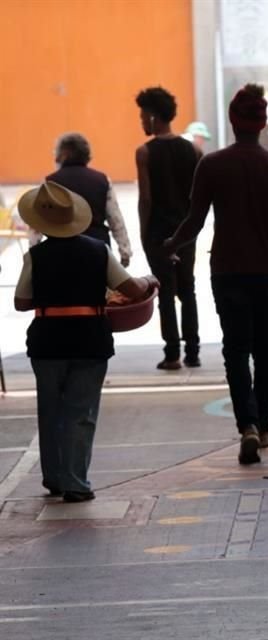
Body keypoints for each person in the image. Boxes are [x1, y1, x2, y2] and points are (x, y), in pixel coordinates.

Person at [163, 84, 268, 465]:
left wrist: (172, 244)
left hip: (226, 271)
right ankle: (267, 425)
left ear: (232, 121)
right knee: (266, 349)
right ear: (263, 123)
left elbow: (194, 220)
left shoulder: (211, 164)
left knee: (236, 350)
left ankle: (248, 426)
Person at [14, 181, 157, 502]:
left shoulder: (35, 256)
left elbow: (21, 303)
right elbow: (132, 289)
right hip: (89, 340)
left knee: (50, 411)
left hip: (47, 342)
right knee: (80, 412)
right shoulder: (98, 251)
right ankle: (76, 483)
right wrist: (149, 279)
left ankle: (54, 478)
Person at [135, 86, 201, 370]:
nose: (140, 122)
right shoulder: (194, 151)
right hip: (187, 231)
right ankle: (194, 351)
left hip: (158, 232)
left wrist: (143, 230)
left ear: (153, 117)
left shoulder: (145, 152)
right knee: (187, 289)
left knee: (165, 292)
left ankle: (172, 352)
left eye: (142, 116)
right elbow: (198, 196)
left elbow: (146, 198)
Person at [48, 133, 133, 267]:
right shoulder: (102, 180)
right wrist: (125, 251)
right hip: (98, 248)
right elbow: (115, 219)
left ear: (64, 154)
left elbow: (39, 221)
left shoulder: (50, 182)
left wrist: (32, 250)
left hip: (61, 251)